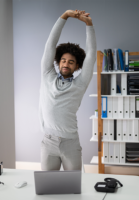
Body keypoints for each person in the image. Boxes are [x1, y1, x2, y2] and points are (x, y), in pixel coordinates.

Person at [39, 10, 96, 170]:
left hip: (70, 142)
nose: (66, 64)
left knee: (75, 186)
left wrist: (89, 24)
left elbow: (91, 54)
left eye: (71, 62)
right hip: (48, 142)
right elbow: (50, 44)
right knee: (48, 187)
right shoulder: (47, 75)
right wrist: (64, 16)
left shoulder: (80, 83)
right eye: (63, 60)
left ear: (77, 66)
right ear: (58, 62)